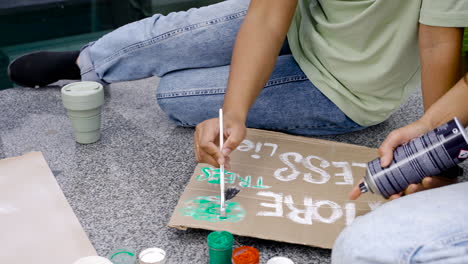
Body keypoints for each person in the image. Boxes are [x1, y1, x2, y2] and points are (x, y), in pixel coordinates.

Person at [7, 0, 468, 262]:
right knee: (187, 30)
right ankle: (90, 63)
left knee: (173, 95)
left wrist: (433, 143)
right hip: (301, 26)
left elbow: (435, 42)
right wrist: (235, 109)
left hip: (347, 83)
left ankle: (218, 74)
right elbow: (268, 16)